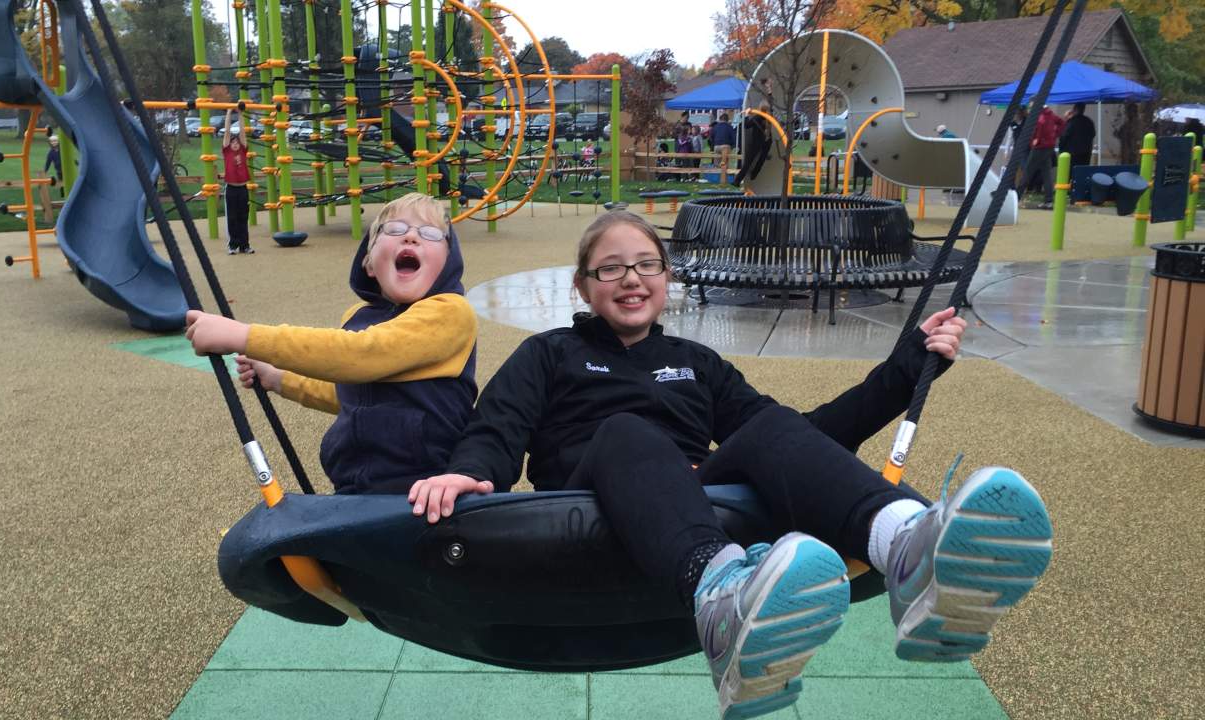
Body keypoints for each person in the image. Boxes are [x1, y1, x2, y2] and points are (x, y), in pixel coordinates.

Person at [409, 212, 1053, 718]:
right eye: (610, 270)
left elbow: (804, 440)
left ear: (666, 276)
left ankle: (908, 549)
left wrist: (905, 370)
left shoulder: (698, 362)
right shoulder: (549, 354)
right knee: (629, 431)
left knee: (771, 424)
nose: (631, 279)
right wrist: (469, 471)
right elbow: (498, 429)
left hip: (696, 505)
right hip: (590, 507)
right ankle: (720, 597)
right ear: (582, 285)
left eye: (645, 264)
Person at [184, 193, 478, 495]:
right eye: (395, 230)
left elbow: (361, 355)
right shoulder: (359, 317)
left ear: (448, 263)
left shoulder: (450, 312)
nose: (412, 238)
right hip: (356, 484)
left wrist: (244, 336)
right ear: (368, 263)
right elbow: (349, 390)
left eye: (430, 234)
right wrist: (279, 378)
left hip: (430, 485)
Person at [1017, 102, 1065, 204]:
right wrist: (1055, 135)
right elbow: (1061, 123)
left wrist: (1036, 140)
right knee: (1046, 174)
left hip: (1039, 148)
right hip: (1049, 147)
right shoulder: (1050, 114)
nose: (1030, 108)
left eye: (1031, 106)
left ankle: (1016, 197)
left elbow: (1038, 127)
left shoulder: (1040, 116)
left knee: (1027, 172)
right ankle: (1049, 200)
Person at [221, 108, 253, 255]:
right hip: (231, 189)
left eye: (236, 142)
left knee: (243, 218)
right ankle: (233, 245)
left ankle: (244, 245)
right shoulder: (227, 151)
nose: (234, 144)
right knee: (232, 218)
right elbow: (227, 132)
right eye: (232, 142)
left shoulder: (243, 151)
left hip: (242, 188)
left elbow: (242, 132)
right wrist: (228, 113)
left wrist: (240, 114)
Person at [711, 112, 736, 185]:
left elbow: (711, 136)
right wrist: (732, 146)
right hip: (726, 146)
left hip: (716, 146)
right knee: (725, 163)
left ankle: (716, 180)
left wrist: (713, 145)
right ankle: (724, 180)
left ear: (720, 119)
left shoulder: (715, 127)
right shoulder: (729, 127)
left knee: (717, 163)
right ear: (727, 120)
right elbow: (733, 138)